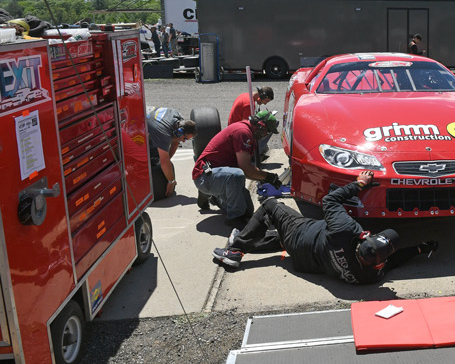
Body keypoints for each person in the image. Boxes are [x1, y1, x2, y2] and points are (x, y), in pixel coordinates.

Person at [212, 171, 439, 284]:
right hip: (303, 263)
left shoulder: (345, 229)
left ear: (366, 237)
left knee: (271, 206)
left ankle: (236, 250)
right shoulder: (370, 276)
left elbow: (330, 200)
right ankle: (249, 239)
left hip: (301, 235)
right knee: (282, 238)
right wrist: (419, 249)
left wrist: (359, 184)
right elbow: (394, 260)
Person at [192, 113, 281, 228]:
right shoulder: (243, 132)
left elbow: (246, 170)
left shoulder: (249, 133)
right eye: (267, 131)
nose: (266, 135)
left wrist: (262, 178)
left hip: (217, 175)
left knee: (247, 211)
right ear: (261, 126)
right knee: (236, 176)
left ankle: (215, 197)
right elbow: (245, 168)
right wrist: (267, 176)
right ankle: (234, 218)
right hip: (204, 176)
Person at [146, 107, 196, 201]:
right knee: (153, 153)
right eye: (185, 138)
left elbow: (175, 142)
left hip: (149, 117)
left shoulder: (178, 119)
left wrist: (167, 160)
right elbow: (164, 162)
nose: (184, 141)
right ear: (180, 132)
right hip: (137, 126)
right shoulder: (163, 133)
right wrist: (171, 181)